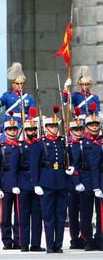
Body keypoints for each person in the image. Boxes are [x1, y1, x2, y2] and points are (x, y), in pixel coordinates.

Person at [30, 105, 71, 253]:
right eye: (51, 127)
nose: (54, 129)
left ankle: (58, 245)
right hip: (46, 182)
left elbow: (68, 160)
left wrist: (70, 168)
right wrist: (36, 183)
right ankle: (49, 245)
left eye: (55, 126)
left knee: (60, 216)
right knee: (48, 217)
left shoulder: (62, 142)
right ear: (46, 128)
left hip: (61, 181)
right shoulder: (39, 144)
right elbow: (34, 165)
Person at [9, 108, 45, 252]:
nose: (32, 132)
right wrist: (14, 184)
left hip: (38, 184)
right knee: (23, 216)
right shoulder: (19, 146)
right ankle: (24, 244)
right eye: (29, 130)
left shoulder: (40, 145)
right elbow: (14, 168)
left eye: (34, 130)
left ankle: (35, 244)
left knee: (37, 216)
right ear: (25, 132)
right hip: (23, 183)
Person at [71, 102, 101, 251]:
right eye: (92, 125)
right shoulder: (81, 143)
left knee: (101, 213)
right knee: (86, 214)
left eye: (97, 125)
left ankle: (100, 238)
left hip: (101, 180)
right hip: (86, 179)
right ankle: (87, 239)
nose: (95, 127)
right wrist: (77, 182)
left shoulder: (101, 142)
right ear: (87, 127)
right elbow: (75, 166)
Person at [0, 111, 20, 250]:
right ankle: (7, 240)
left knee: (20, 214)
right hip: (5, 182)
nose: (13, 132)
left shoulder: (21, 146)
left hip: (19, 183)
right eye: (10, 129)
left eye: (15, 129)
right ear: (5, 131)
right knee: (6, 215)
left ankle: (19, 239)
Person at [0, 62, 36, 139]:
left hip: (24, 124)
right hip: (10, 124)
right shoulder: (7, 95)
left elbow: (32, 111)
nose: (20, 85)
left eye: (21, 83)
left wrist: (28, 121)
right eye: (17, 84)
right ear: (13, 84)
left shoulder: (29, 97)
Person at [67, 108, 85, 249]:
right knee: (73, 214)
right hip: (71, 184)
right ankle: (74, 238)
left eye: (81, 129)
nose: (79, 132)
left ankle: (85, 236)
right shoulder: (67, 145)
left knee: (85, 213)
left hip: (85, 182)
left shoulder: (86, 143)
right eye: (76, 129)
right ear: (71, 130)